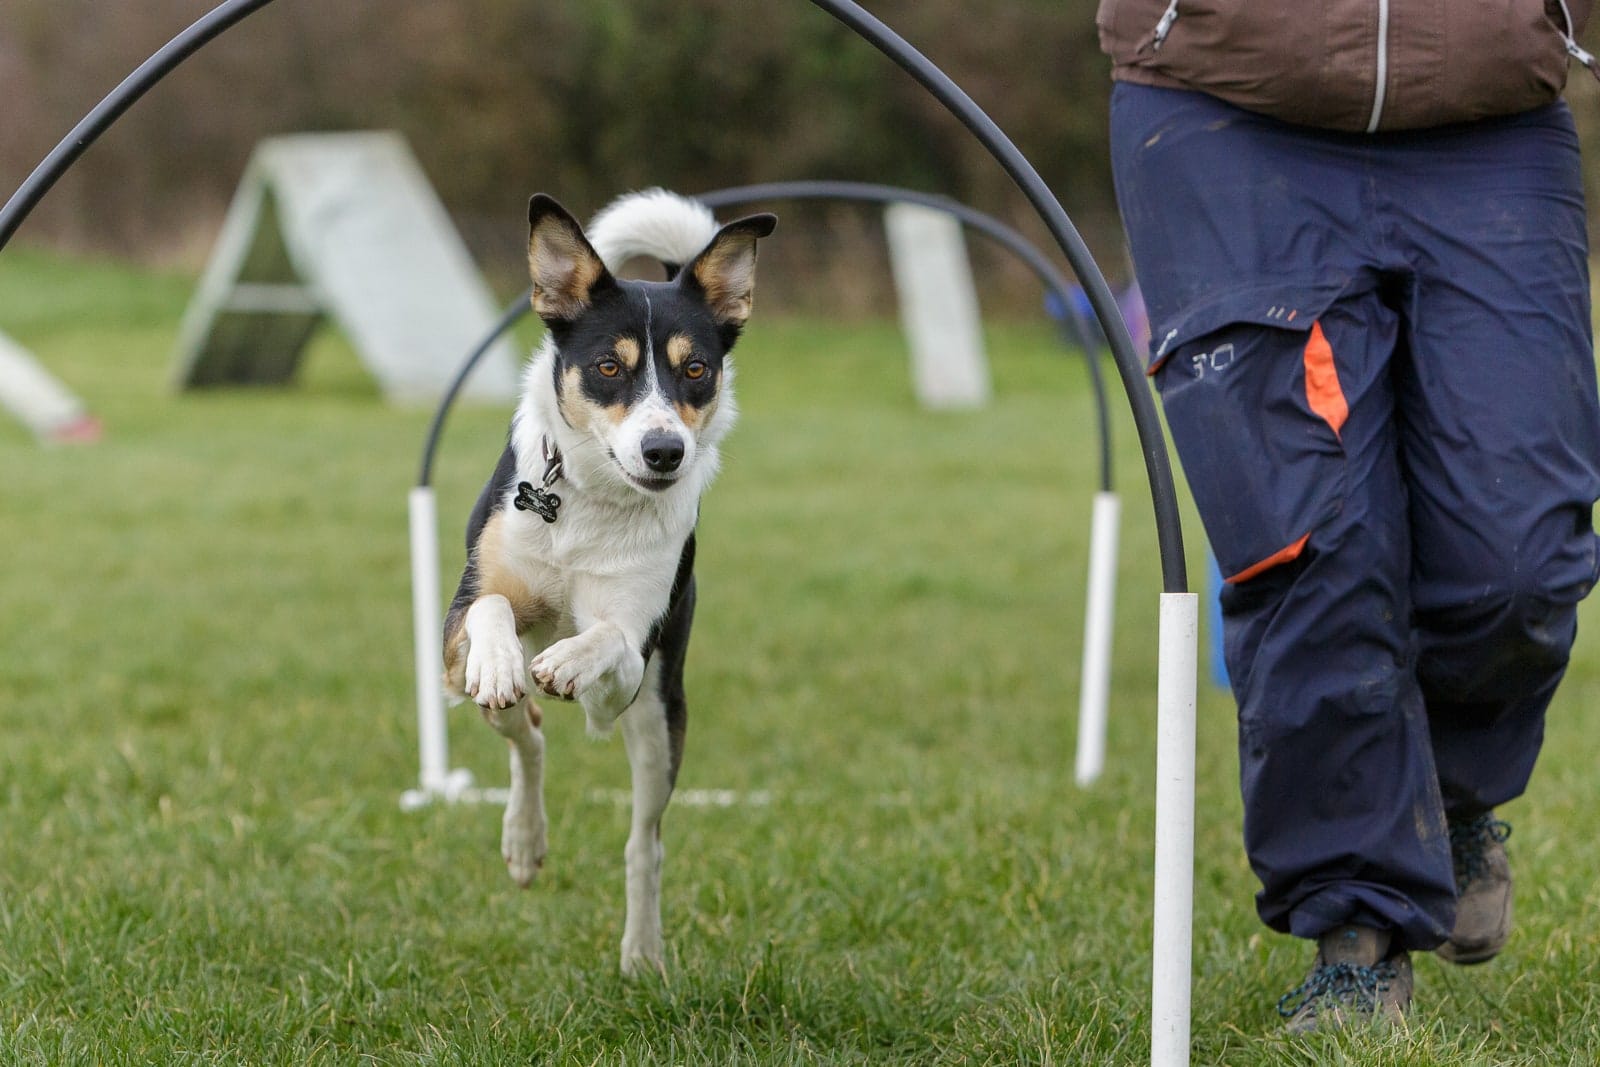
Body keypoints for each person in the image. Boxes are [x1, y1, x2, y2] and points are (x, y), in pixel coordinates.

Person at [1097, 0, 1600, 1032]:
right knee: (1308, 541)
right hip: (1224, 114)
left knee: (1520, 557)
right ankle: (1356, 940)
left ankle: (1449, 797)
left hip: (1491, 118)